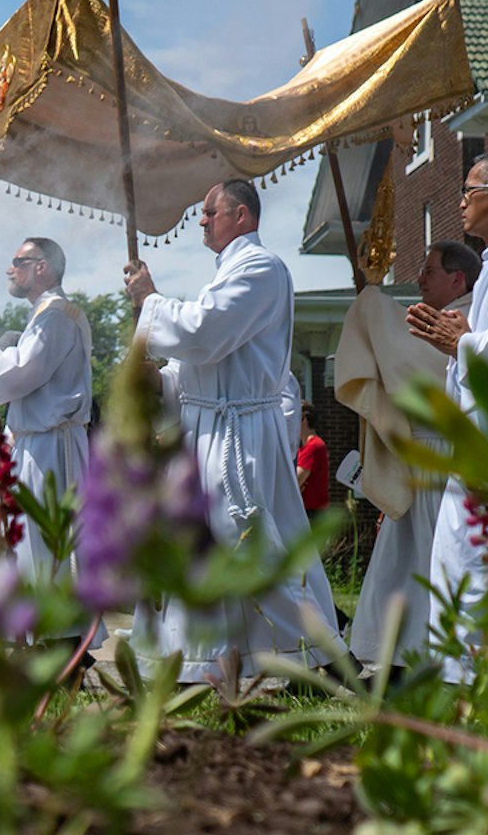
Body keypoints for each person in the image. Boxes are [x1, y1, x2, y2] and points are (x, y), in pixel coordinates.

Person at [123, 178, 347, 681]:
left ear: (241, 216)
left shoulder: (261, 268)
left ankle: (312, 656)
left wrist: (152, 300)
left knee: (247, 543)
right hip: (212, 427)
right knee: (204, 546)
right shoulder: (227, 273)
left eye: (209, 212)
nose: (200, 220)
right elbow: (208, 370)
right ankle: (207, 662)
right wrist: (159, 380)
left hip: (237, 436)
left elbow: (205, 332)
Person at [339, 239, 478, 666]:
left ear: (457, 280)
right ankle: (391, 655)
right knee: (400, 563)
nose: (419, 279)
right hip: (420, 461)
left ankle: (435, 659)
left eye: (430, 270)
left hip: (447, 460)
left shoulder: (469, 319)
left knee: (435, 562)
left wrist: (371, 299)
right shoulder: (437, 322)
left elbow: (407, 354)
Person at [408, 152, 488, 682]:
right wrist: (462, 336)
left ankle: (483, 688)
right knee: (460, 565)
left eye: (469, 191)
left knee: (481, 568)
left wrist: (461, 342)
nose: (460, 202)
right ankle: (463, 683)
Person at [0, 236, 94, 645]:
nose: (11, 269)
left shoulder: (56, 314)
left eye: (17, 261)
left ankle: (57, 641)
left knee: (45, 545)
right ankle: (40, 637)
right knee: (32, 548)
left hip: (50, 450)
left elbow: (15, 376)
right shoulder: (48, 313)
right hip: (37, 445)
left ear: (42, 266)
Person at [296, 402, 330, 524]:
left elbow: (294, 481)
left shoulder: (314, 446)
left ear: (304, 418)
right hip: (307, 512)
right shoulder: (303, 448)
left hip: (313, 515)